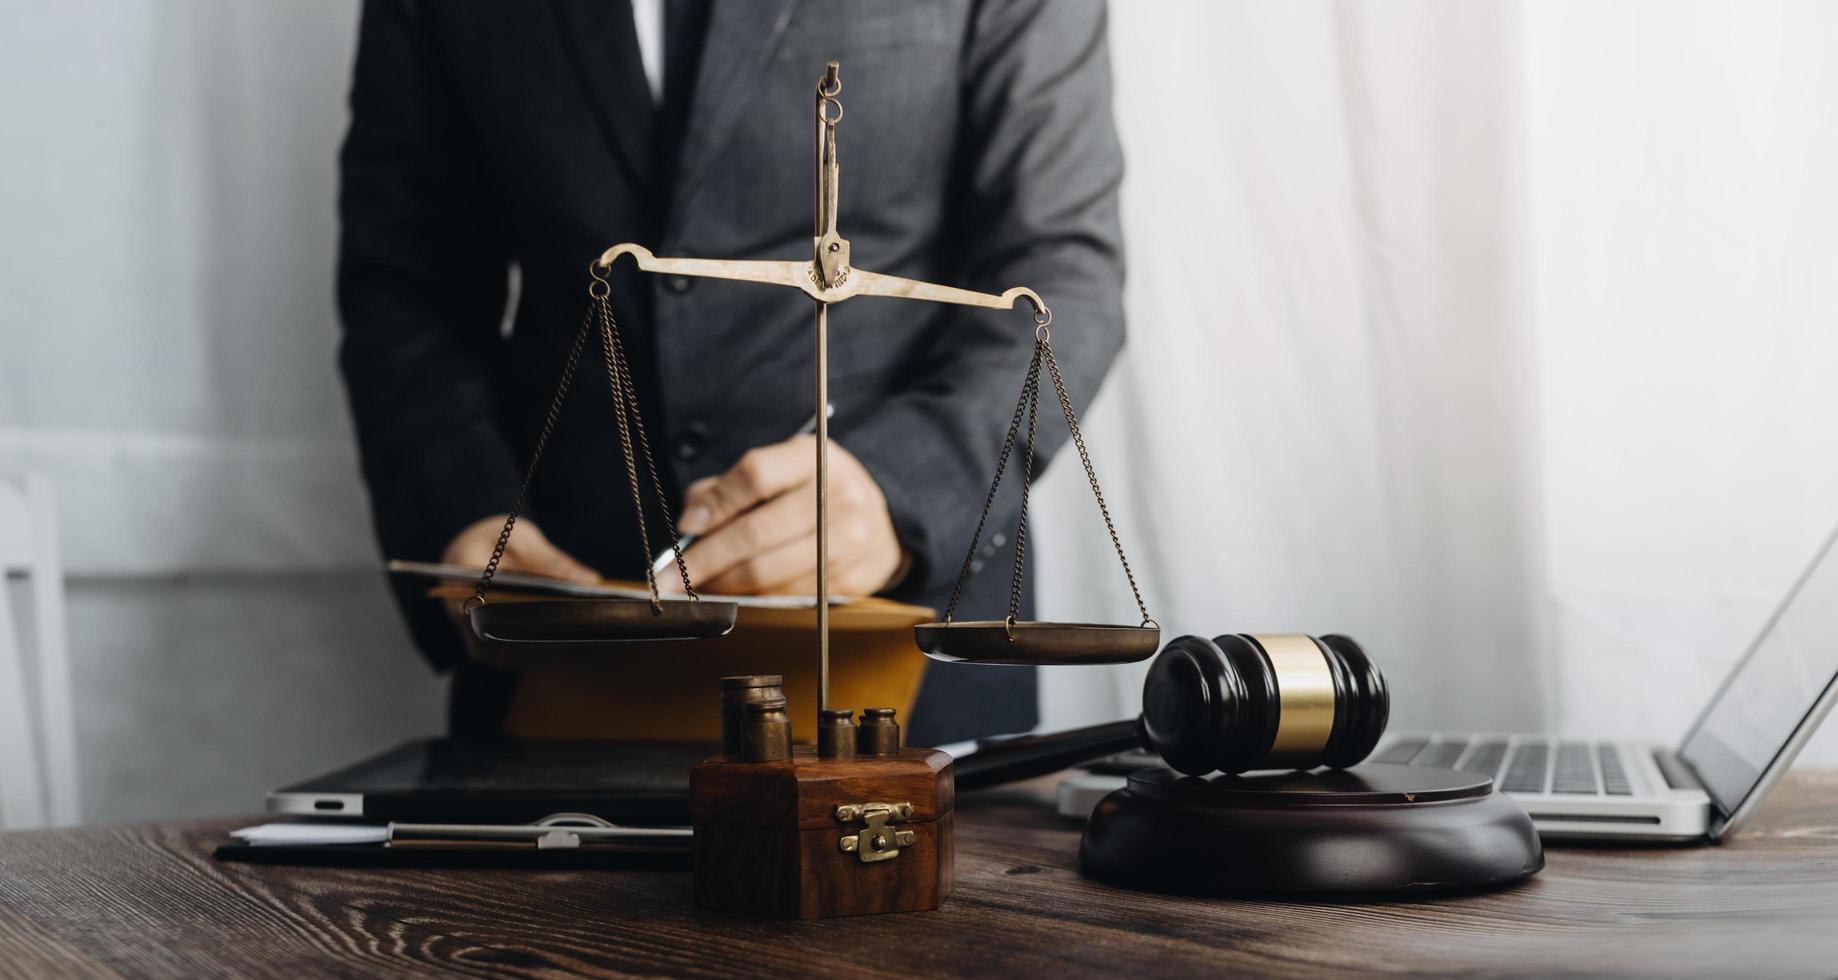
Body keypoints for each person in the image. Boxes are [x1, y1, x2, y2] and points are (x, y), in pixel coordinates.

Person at [336, 0, 1125, 745]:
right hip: (566, 656)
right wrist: (463, 511)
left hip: (901, 662)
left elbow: (1063, 269)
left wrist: (899, 492)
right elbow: (405, 281)